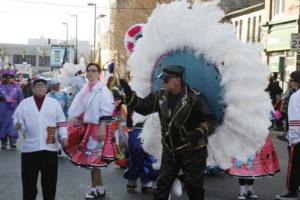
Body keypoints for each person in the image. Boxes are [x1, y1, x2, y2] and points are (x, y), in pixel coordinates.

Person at [119, 65, 216, 200]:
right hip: (170, 150)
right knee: (161, 187)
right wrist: (130, 95)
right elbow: (144, 108)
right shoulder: (160, 95)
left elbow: (210, 120)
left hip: (193, 151)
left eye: (165, 80)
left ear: (177, 81)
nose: (162, 83)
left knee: (194, 187)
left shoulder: (195, 97)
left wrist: (198, 133)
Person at [13, 77, 68, 200]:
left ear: (46, 89)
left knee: (50, 182)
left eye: (42, 86)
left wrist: (64, 136)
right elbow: (17, 118)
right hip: (30, 149)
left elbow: (61, 122)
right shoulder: (25, 103)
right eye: (36, 86)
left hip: (50, 148)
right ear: (32, 89)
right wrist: (18, 123)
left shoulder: (54, 103)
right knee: (29, 181)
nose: (39, 88)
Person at [67, 63, 115, 200]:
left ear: (99, 74)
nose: (90, 73)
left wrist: (101, 128)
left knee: (93, 159)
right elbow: (81, 107)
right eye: (88, 71)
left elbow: (107, 109)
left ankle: (94, 189)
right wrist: (75, 116)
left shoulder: (103, 90)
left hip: (98, 128)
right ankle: (100, 188)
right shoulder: (87, 89)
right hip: (89, 128)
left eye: (93, 71)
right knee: (94, 159)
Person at [227, 135, 280, 200]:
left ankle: (249, 190)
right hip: (242, 144)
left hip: (255, 144)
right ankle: (242, 191)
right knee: (241, 170)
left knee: (253, 170)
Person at [276, 71, 300, 200]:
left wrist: (294, 138)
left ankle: (291, 191)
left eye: (291, 79)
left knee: (294, 166)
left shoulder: (296, 96)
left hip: (297, 138)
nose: (289, 81)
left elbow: (295, 119)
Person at [0, 66, 24, 149]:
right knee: (2, 125)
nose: (8, 79)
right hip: (2, 109)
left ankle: (13, 142)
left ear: (12, 78)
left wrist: (22, 109)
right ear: (3, 77)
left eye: (10, 77)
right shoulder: (0, 87)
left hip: (13, 109)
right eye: (6, 77)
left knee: (13, 125)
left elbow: (21, 99)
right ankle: (3, 142)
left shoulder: (17, 88)